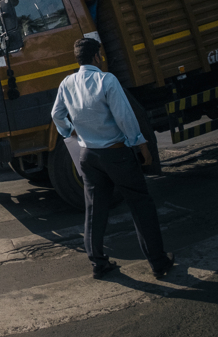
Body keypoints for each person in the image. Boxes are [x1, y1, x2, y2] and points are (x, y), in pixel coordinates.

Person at [51, 37, 174, 281]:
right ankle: (158, 263)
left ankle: (98, 263)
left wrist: (71, 132)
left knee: (95, 210)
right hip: (116, 153)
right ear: (97, 56)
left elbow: (56, 115)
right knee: (140, 205)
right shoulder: (106, 80)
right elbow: (125, 118)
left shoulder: (67, 83)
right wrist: (142, 146)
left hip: (88, 156)